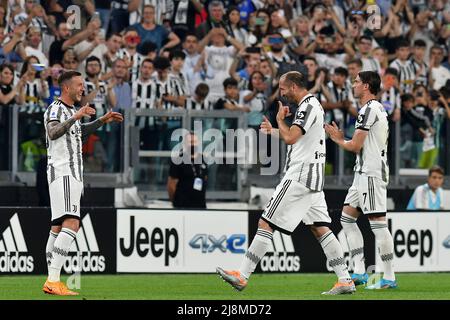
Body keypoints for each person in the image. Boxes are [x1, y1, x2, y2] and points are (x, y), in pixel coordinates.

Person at [217, 71, 356, 295]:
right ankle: (345, 279)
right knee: (320, 228)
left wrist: (279, 120)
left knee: (265, 222)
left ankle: (242, 276)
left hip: (300, 176)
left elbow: (291, 137)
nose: (281, 93)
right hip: (313, 178)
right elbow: (297, 137)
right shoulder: (312, 105)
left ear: (293, 87)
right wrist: (272, 130)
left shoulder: (307, 106)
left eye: (282, 89)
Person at [42, 71, 123, 296]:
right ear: (66, 88)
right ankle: (53, 279)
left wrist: (101, 121)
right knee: (72, 223)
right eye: (79, 85)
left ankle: (52, 280)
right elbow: (53, 132)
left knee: (57, 228)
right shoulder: (56, 108)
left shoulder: (69, 111)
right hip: (63, 171)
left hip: (72, 173)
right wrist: (76, 116)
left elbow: (78, 133)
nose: (82, 89)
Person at [325, 71, 397, 290]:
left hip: (372, 173)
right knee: (347, 219)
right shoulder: (374, 109)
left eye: (356, 82)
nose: (353, 85)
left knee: (378, 224)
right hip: (362, 173)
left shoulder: (369, 109)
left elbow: (355, 146)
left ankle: (389, 277)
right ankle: (359, 271)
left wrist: (338, 140)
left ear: (366, 86)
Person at [167, 132, 208, 209]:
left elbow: (205, 178)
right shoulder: (178, 160)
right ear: (185, 144)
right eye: (190, 142)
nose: (193, 144)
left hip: (200, 205)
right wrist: (175, 202)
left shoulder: (203, 159)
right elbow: (171, 185)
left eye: (195, 142)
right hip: (182, 205)